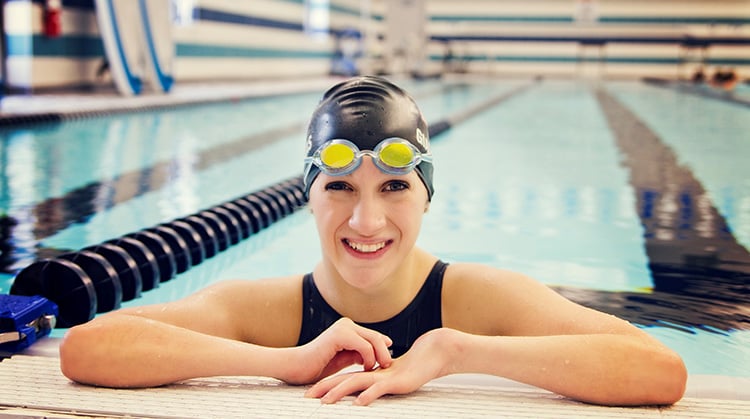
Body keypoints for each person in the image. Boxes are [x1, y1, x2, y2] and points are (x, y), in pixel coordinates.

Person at [59, 76, 687, 407]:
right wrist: (287, 362)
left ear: (426, 196)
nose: (365, 222)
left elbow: (662, 372)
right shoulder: (273, 311)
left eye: (393, 188)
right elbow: (86, 350)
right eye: (338, 188)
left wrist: (456, 351)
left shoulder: (474, 299)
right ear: (305, 195)